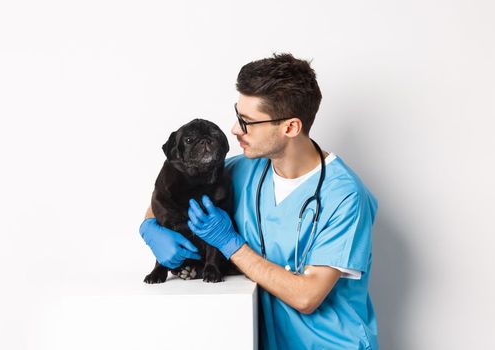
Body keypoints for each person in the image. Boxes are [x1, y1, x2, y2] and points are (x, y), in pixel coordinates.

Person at [139, 53, 379, 349]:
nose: (235, 129)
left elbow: (307, 297)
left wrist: (231, 245)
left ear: (290, 127)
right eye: (238, 115)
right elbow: (169, 196)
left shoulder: (344, 196)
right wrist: (150, 227)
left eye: (247, 121)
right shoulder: (243, 170)